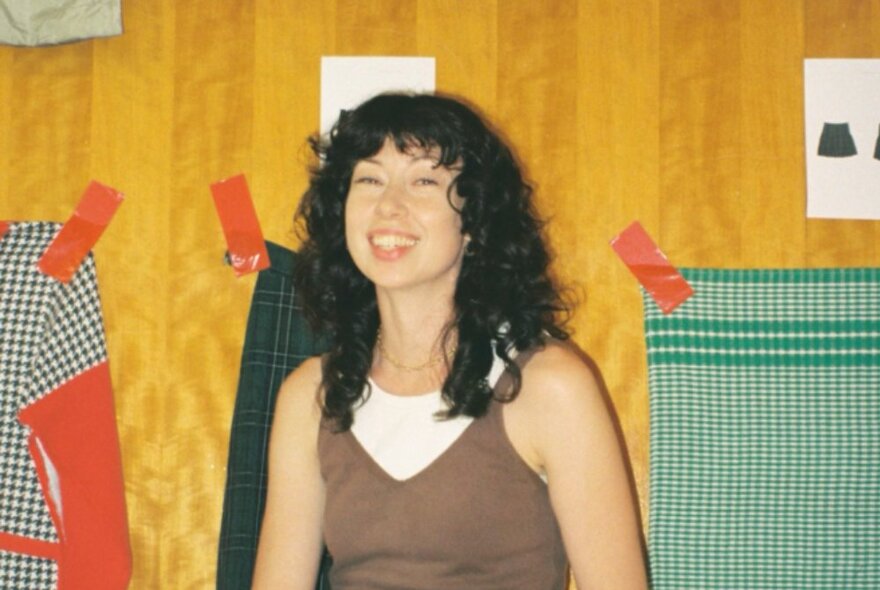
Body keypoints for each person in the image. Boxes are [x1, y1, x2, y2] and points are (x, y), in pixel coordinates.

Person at [252, 93, 648, 589]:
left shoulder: (549, 385)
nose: (388, 205)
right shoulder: (309, 396)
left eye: (423, 181)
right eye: (370, 179)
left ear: (474, 223)